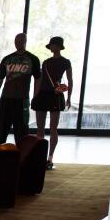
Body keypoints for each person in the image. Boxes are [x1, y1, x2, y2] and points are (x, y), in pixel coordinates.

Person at [32, 36, 73, 169]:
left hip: (55, 95)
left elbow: (70, 80)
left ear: (58, 46)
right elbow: (39, 80)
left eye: (53, 45)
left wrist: (69, 97)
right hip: (44, 94)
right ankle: (41, 156)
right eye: (51, 45)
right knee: (40, 127)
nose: (51, 47)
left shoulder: (65, 62)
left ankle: (50, 157)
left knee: (53, 127)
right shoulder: (46, 62)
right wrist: (35, 95)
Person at [0, 32, 40, 146]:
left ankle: (22, 154)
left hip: (22, 100)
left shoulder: (33, 59)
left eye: (21, 41)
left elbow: (38, 79)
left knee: (22, 131)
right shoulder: (7, 59)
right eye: (16, 41)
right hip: (5, 99)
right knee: (1, 129)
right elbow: (0, 78)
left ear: (25, 42)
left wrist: (35, 97)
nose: (18, 43)